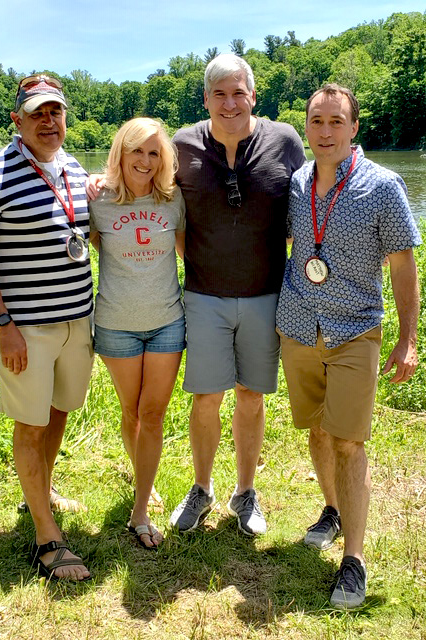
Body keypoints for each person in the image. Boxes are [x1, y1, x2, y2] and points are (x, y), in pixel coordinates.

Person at [276, 83, 421, 608]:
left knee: (348, 442)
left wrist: (407, 340)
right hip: (297, 327)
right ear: (307, 126)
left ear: (355, 127)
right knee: (316, 428)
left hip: (355, 330)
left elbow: (404, 267)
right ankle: (332, 510)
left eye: (337, 121)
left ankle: (353, 561)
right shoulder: (296, 183)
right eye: (317, 121)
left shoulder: (383, 187)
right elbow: (292, 247)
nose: (326, 131)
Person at [0, 74, 94, 581]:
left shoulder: (75, 170)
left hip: (76, 321)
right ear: (17, 118)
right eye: (36, 112)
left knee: (58, 410)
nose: (47, 121)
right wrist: (3, 325)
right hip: (27, 329)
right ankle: (45, 537)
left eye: (55, 111)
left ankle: (41, 490)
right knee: (30, 423)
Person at [169, 54, 305, 535]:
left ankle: (245, 492)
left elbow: (309, 200)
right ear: (205, 99)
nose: (230, 102)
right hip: (204, 294)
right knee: (206, 396)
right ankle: (201, 488)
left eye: (238, 92)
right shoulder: (182, 144)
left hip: (267, 293)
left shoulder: (285, 139)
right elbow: (154, 196)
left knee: (251, 394)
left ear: (253, 96)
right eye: (219, 94)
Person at [89, 118, 186, 549]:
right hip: (115, 325)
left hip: (167, 321)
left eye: (154, 153)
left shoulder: (174, 199)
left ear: (163, 159)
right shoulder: (99, 201)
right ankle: (143, 480)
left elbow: (189, 251)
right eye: (137, 152)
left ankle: (140, 510)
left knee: (152, 414)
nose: (145, 161)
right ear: (121, 154)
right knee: (131, 413)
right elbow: (92, 245)